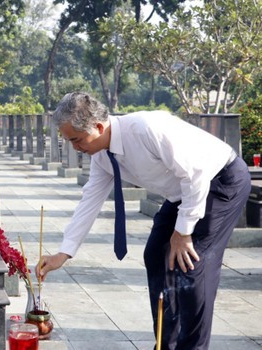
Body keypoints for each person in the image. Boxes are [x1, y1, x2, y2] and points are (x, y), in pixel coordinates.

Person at [36, 92, 251, 350]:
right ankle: (165, 343)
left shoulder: (146, 129)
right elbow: (90, 200)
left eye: (76, 140)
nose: (75, 147)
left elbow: (196, 174)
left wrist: (183, 232)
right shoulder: (102, 155)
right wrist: (65, 252)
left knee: (192, 264)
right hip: (182, 192)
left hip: (220, 180)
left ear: (99, 127)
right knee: (156, 254)